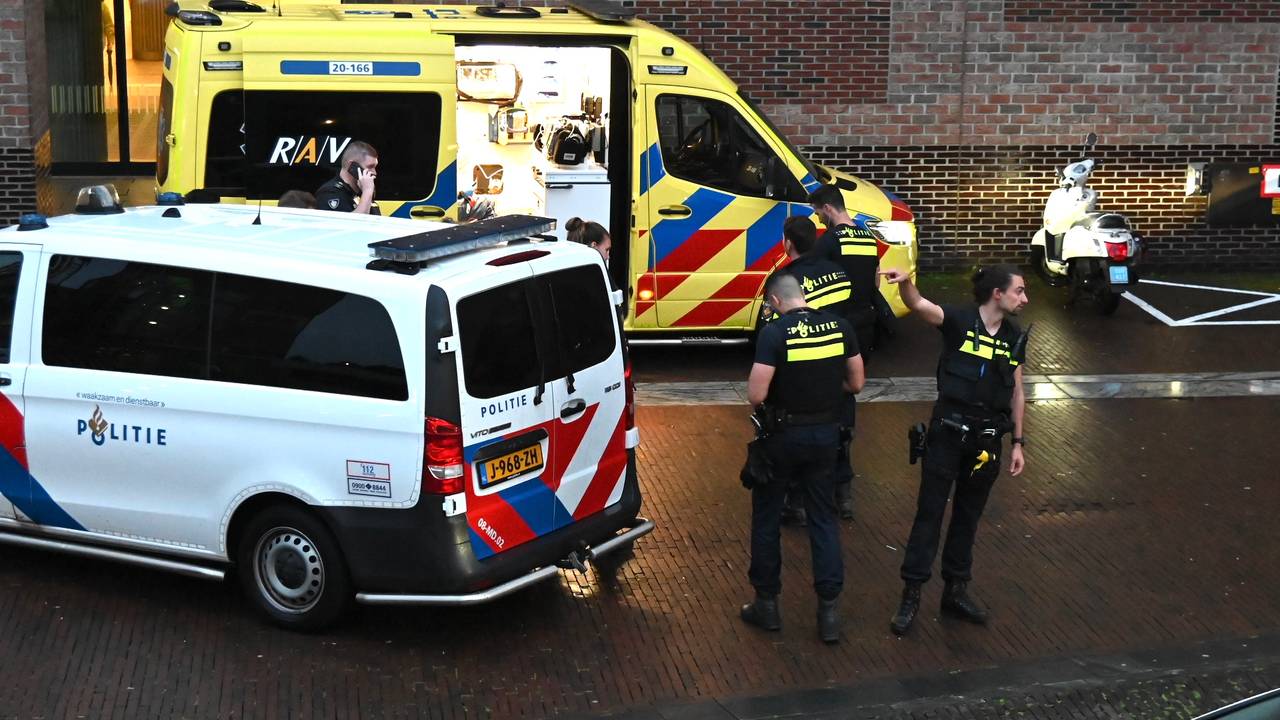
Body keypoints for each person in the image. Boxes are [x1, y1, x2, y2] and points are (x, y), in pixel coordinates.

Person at [879, 264, 1029, 636]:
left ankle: (955, 591)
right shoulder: (959, 320)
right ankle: (911, 594)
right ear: (998, 293)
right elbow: (919, 305)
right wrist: (907, 284)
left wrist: (1019, 443)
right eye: (1019, 291)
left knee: (968, 516)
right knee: (929, 514)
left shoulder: (1012, 337)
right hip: (947, 434)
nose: (1025, 299)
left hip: (986, 441)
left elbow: (1016, 391)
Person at [741, 272, 865, 644]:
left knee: (767, 516)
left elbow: (756, 394)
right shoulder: (840, 326)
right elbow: (856, 384)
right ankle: (828, 612)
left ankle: (767, 605)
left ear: (776, 302)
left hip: (783, 437)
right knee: (823, 518)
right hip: (826, 436)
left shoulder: (775, 334)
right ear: (802, 295)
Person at [761, 216, 853, 526]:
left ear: (788, 243)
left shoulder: (785, 281)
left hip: (798, 374)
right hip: (836, 368)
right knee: (839, 432)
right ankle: (844, 496)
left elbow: (772, 328)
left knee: (798, 439)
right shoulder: (839, 273)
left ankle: (796, 503)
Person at [809, 185, 881, 519]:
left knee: (824, 397)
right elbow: (875, 282)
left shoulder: (828, 242)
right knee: (848, 394)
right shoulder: (867, 239)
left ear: (827, 208)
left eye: (818, 212)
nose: (818, 219)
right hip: (864, 327)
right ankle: (845, 492)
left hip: (836, 326)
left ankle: (825, 483)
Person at [316, 141, 379, 215]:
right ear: (352, 166)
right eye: (370, 167)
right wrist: (367, 191)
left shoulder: (361, 193)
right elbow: (354, 224)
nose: (374, 173)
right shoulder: (330, 193)